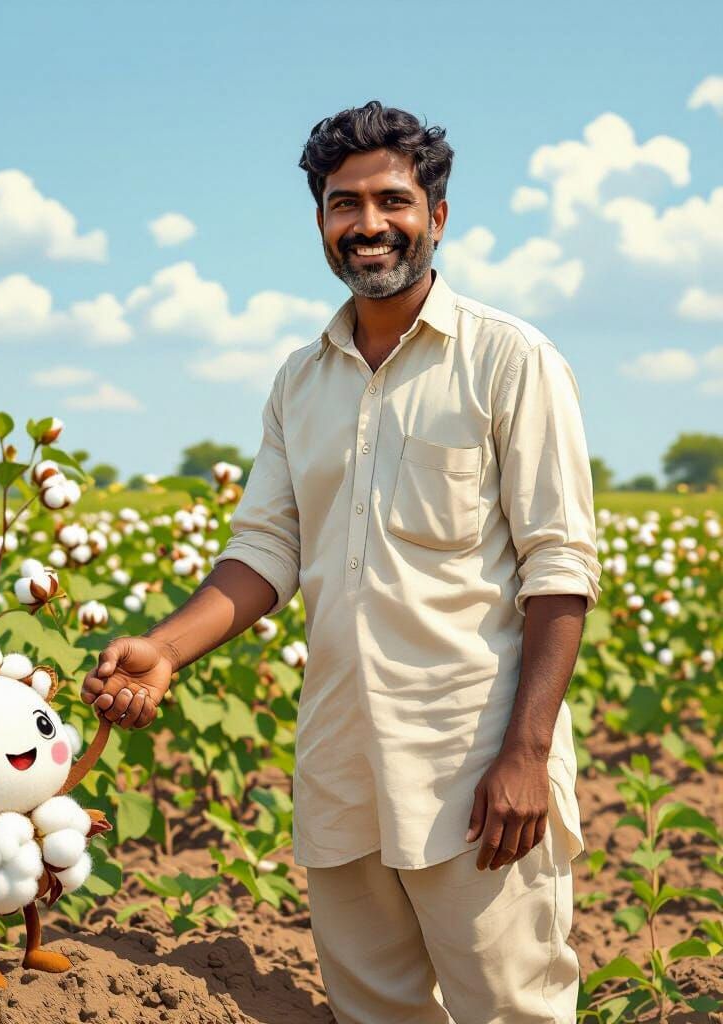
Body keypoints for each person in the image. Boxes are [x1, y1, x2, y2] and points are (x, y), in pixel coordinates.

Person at [81, 100, 601, 1024]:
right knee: (374, 1011)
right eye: (342, 203)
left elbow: (558, 569)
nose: (368, 225)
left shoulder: (510, 361)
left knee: (511, 1008)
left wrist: (525, 753)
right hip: (342, 761)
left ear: (436, 216)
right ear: (320, 220)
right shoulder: (300, 379)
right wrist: (164, 649)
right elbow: (268, 548)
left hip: (474, 766)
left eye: (392, 200)